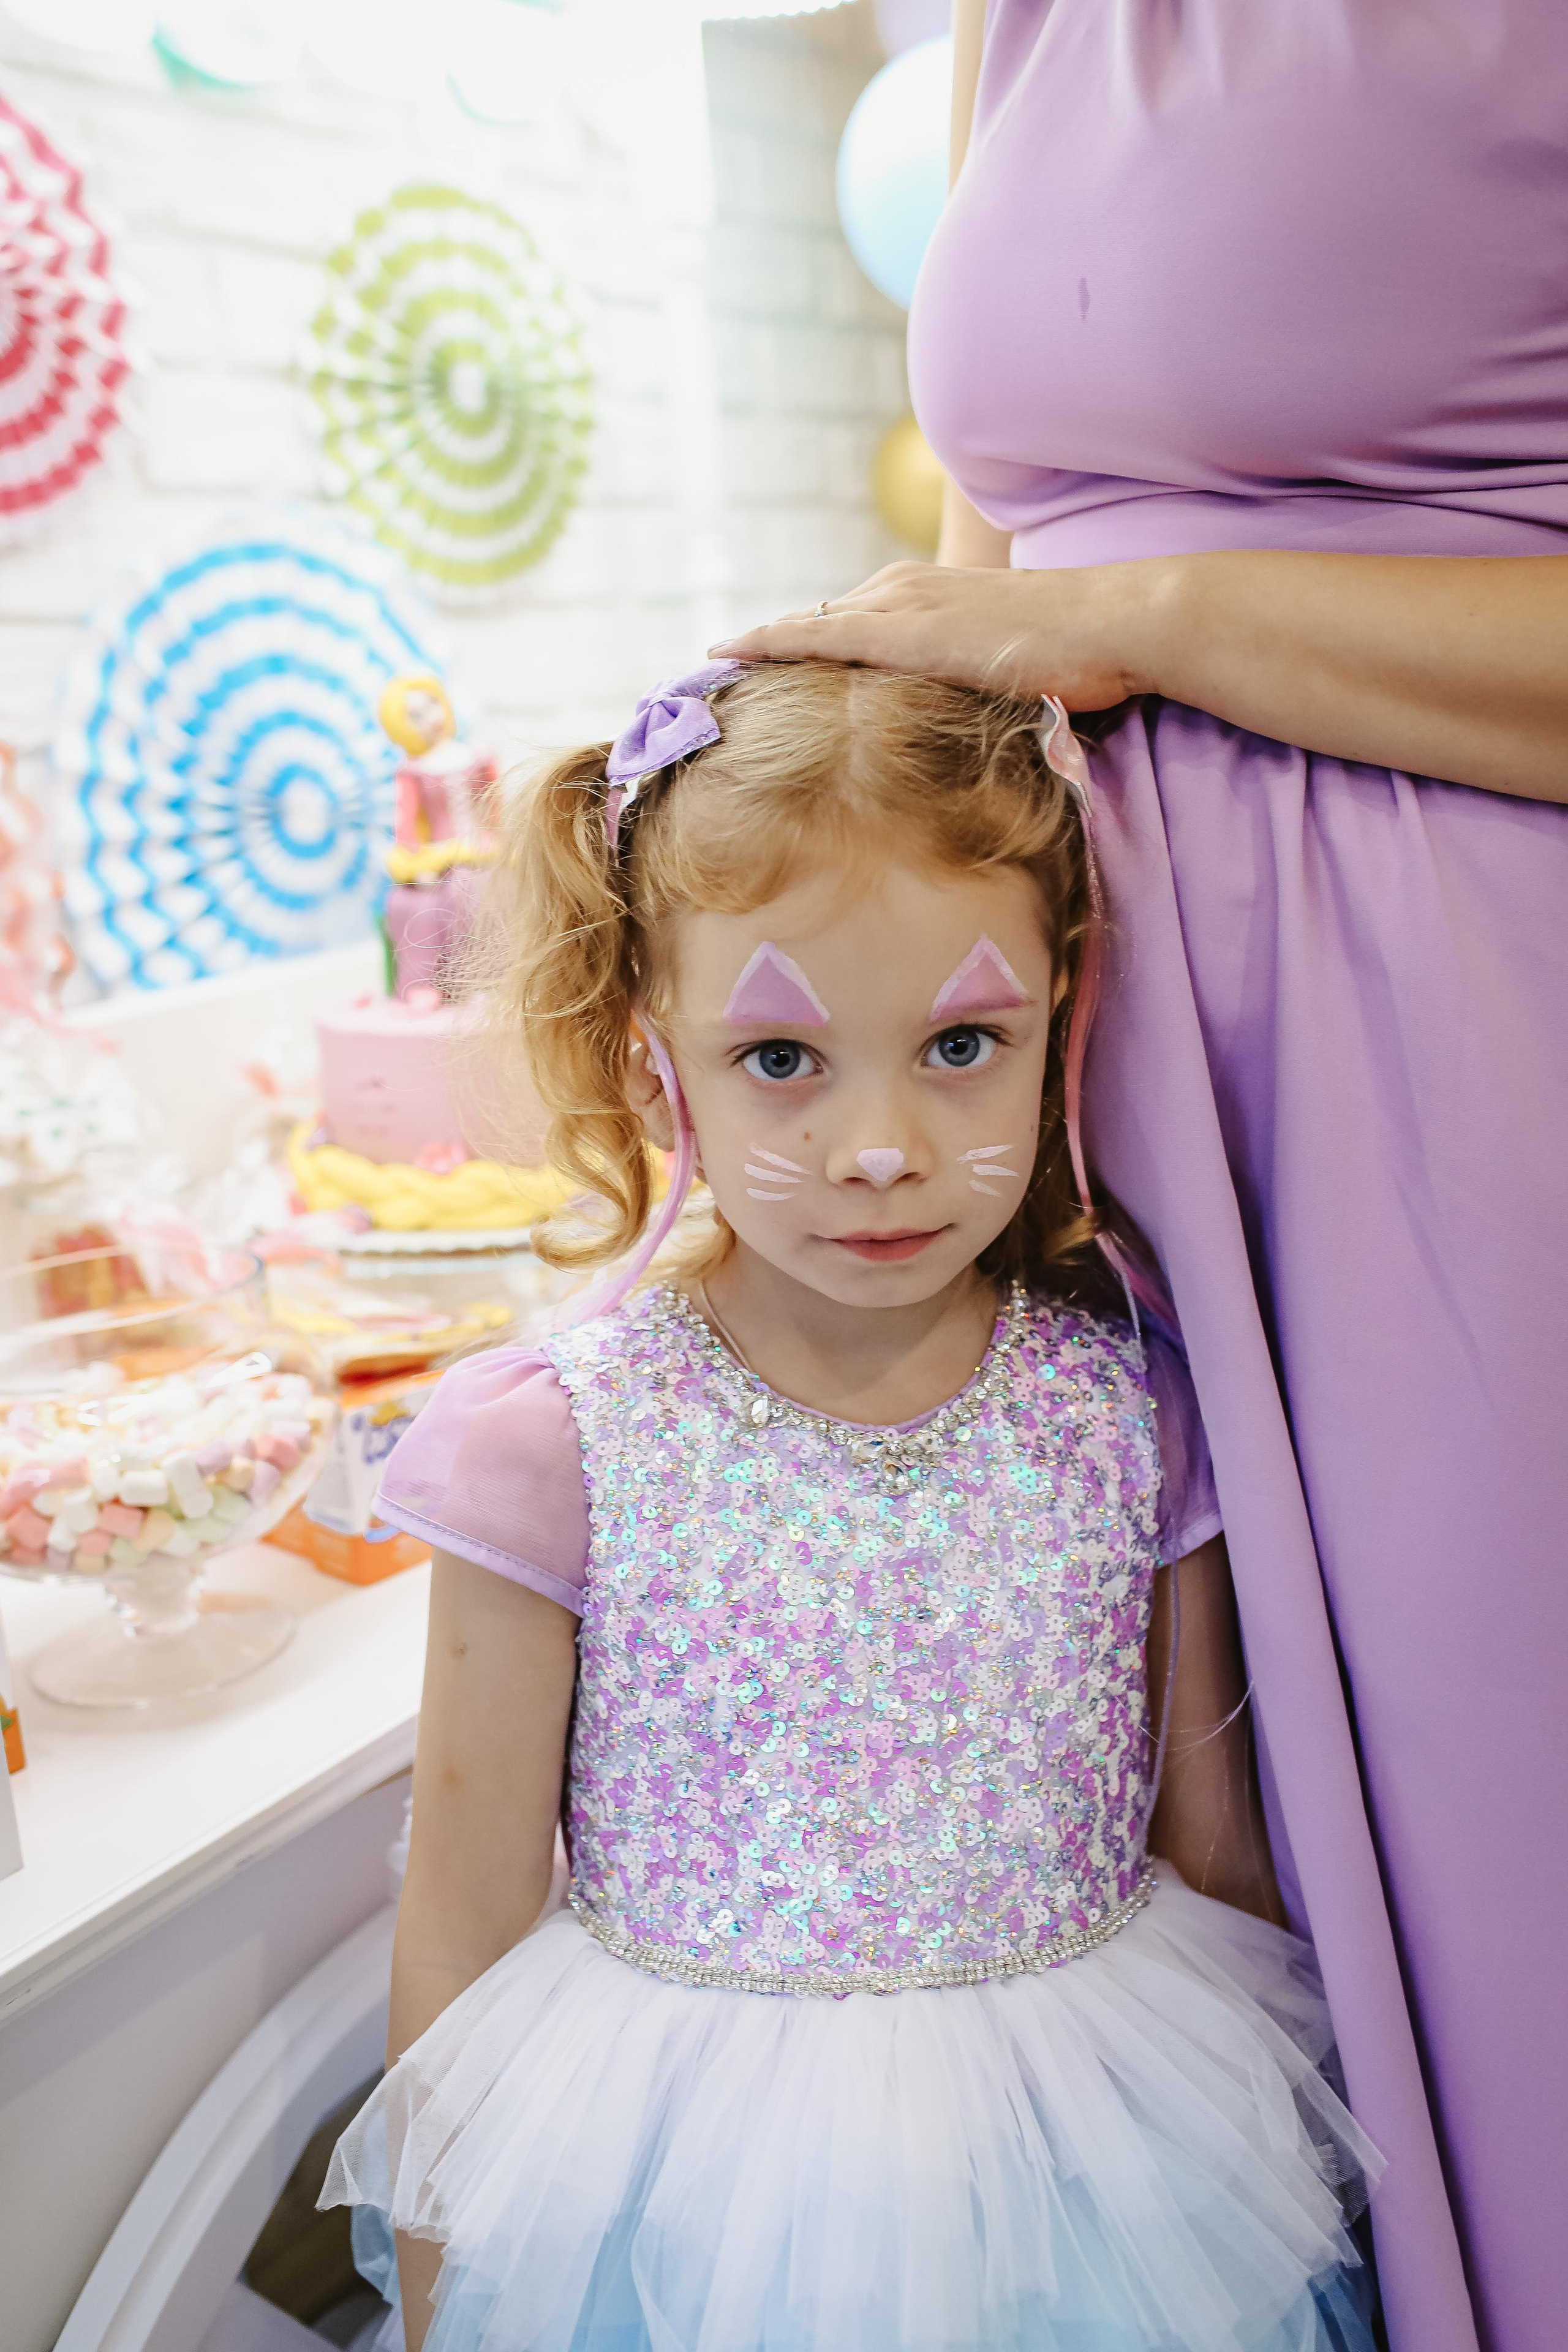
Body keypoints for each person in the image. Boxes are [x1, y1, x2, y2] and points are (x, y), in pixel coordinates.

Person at [710, 12, 1568, 2351]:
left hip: (1474, 1094)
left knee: (1512, 1896)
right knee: (1163, 1883)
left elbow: (1062, 606)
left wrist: (1149, 621)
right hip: (1075, 1088)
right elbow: (987, 606)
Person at [322, 660, 1380, 2352]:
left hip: (1098, 2171)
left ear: (1063, 1018)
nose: (881, 1147)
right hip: (678, 2195)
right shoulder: (554, 1444)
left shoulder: (1135, 1403)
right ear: (650, 1052)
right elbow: (461, 1919)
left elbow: (1215, 1850)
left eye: (963, 1043)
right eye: (781, 1057)